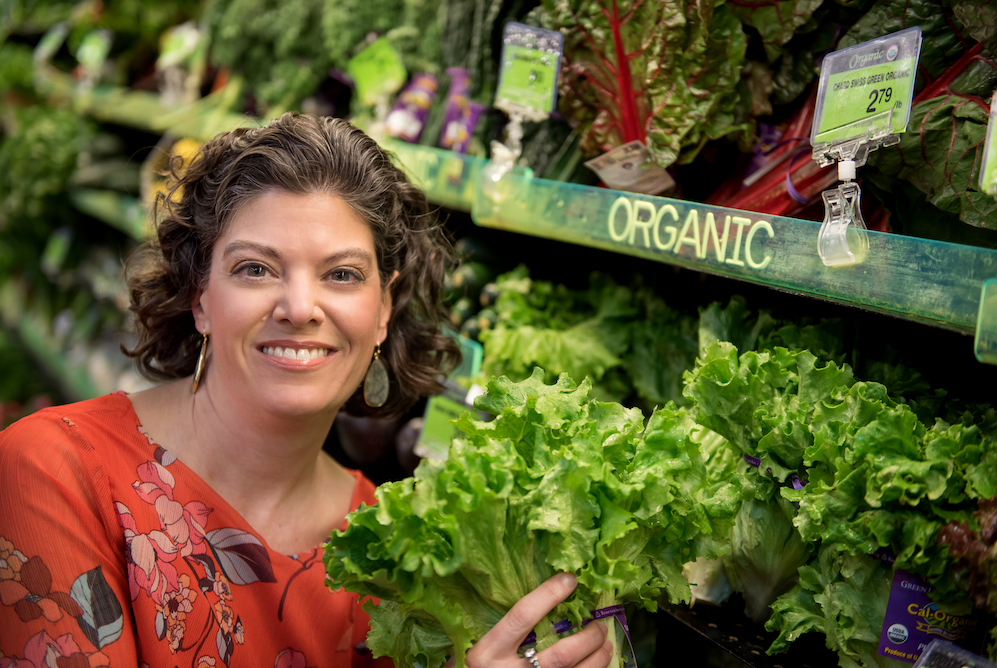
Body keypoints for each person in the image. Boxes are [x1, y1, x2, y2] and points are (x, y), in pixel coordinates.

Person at [0, 113, 613, 668]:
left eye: (341, 275)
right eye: (255, 269)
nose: (299, 307)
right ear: (201, 299)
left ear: (382, 310)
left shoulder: (388, 546)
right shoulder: (55, 473)